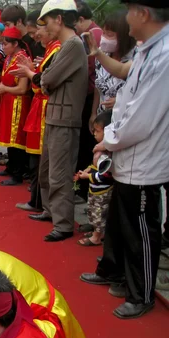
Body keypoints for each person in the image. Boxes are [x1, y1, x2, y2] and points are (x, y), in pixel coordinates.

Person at [80, 0, 169, 319]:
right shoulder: (147, 49)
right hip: (126, 153)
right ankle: (112, 270)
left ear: (143, 14)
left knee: (141, 229)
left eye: (130, 11)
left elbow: (142, 117)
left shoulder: (164, 55)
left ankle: (141, 292)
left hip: (144, 159)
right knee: (119, 223)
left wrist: (108, 142)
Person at [29, 0, 88, 242]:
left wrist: (44, 79)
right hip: (55, 117)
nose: (46, 28)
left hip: (65, 119)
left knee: (59, 174)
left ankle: (63, 224)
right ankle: (51, 212)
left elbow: (48, 80)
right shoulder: (67, 45)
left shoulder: (73, 45)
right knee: (48, 171)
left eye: (48, 22)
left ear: (59, 19)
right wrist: (44, 79)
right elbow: (46, 80)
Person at [14, 22, 61, 214]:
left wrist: (30, 72)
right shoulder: (50, 49)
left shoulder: (56, 50)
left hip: (44, 108)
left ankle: (40, 202)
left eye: (37, 31)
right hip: (39, 107)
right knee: (36, 159)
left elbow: (43, 82)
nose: (35, 36)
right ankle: (36, 200)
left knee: (40, 160)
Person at [0, 26, 31, 185]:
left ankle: (17, 173)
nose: (3, 47)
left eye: (5, 44)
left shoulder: (22, 58)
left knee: (16, 138)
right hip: (8, 100)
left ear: (15, 44)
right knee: (8, 136)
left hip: (18, 102)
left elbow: (22, 88)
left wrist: (4, 89)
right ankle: (10, 166)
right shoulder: (8, 58)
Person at [74, 1, 103, 195]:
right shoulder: (84, 35)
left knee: (88, 146)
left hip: (92, 96)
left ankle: (87, 191)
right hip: (90, 96)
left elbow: (91, 70)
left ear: (81, 19)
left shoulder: (93, 36)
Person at [75, 110, 113, 247]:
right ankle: (96, 232)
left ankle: (97, 237)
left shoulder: (107, 153)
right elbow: (95, 166)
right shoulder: (100, 150)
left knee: (99, 214)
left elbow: (106, 176)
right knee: (92, 211)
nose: (94, 134)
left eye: (97, 131)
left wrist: (88, 176)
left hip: (102, 192)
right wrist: (88, 169)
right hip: (95, 189)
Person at [90, 9, 135, 122]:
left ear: (125, 36)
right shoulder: (102, 54)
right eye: (103, 33)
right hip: (102, 119)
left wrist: (120, 100)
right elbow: (98, 86)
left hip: (124, 119)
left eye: (109, 35)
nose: (103, 38)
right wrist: (93, 113)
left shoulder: (137, 57)